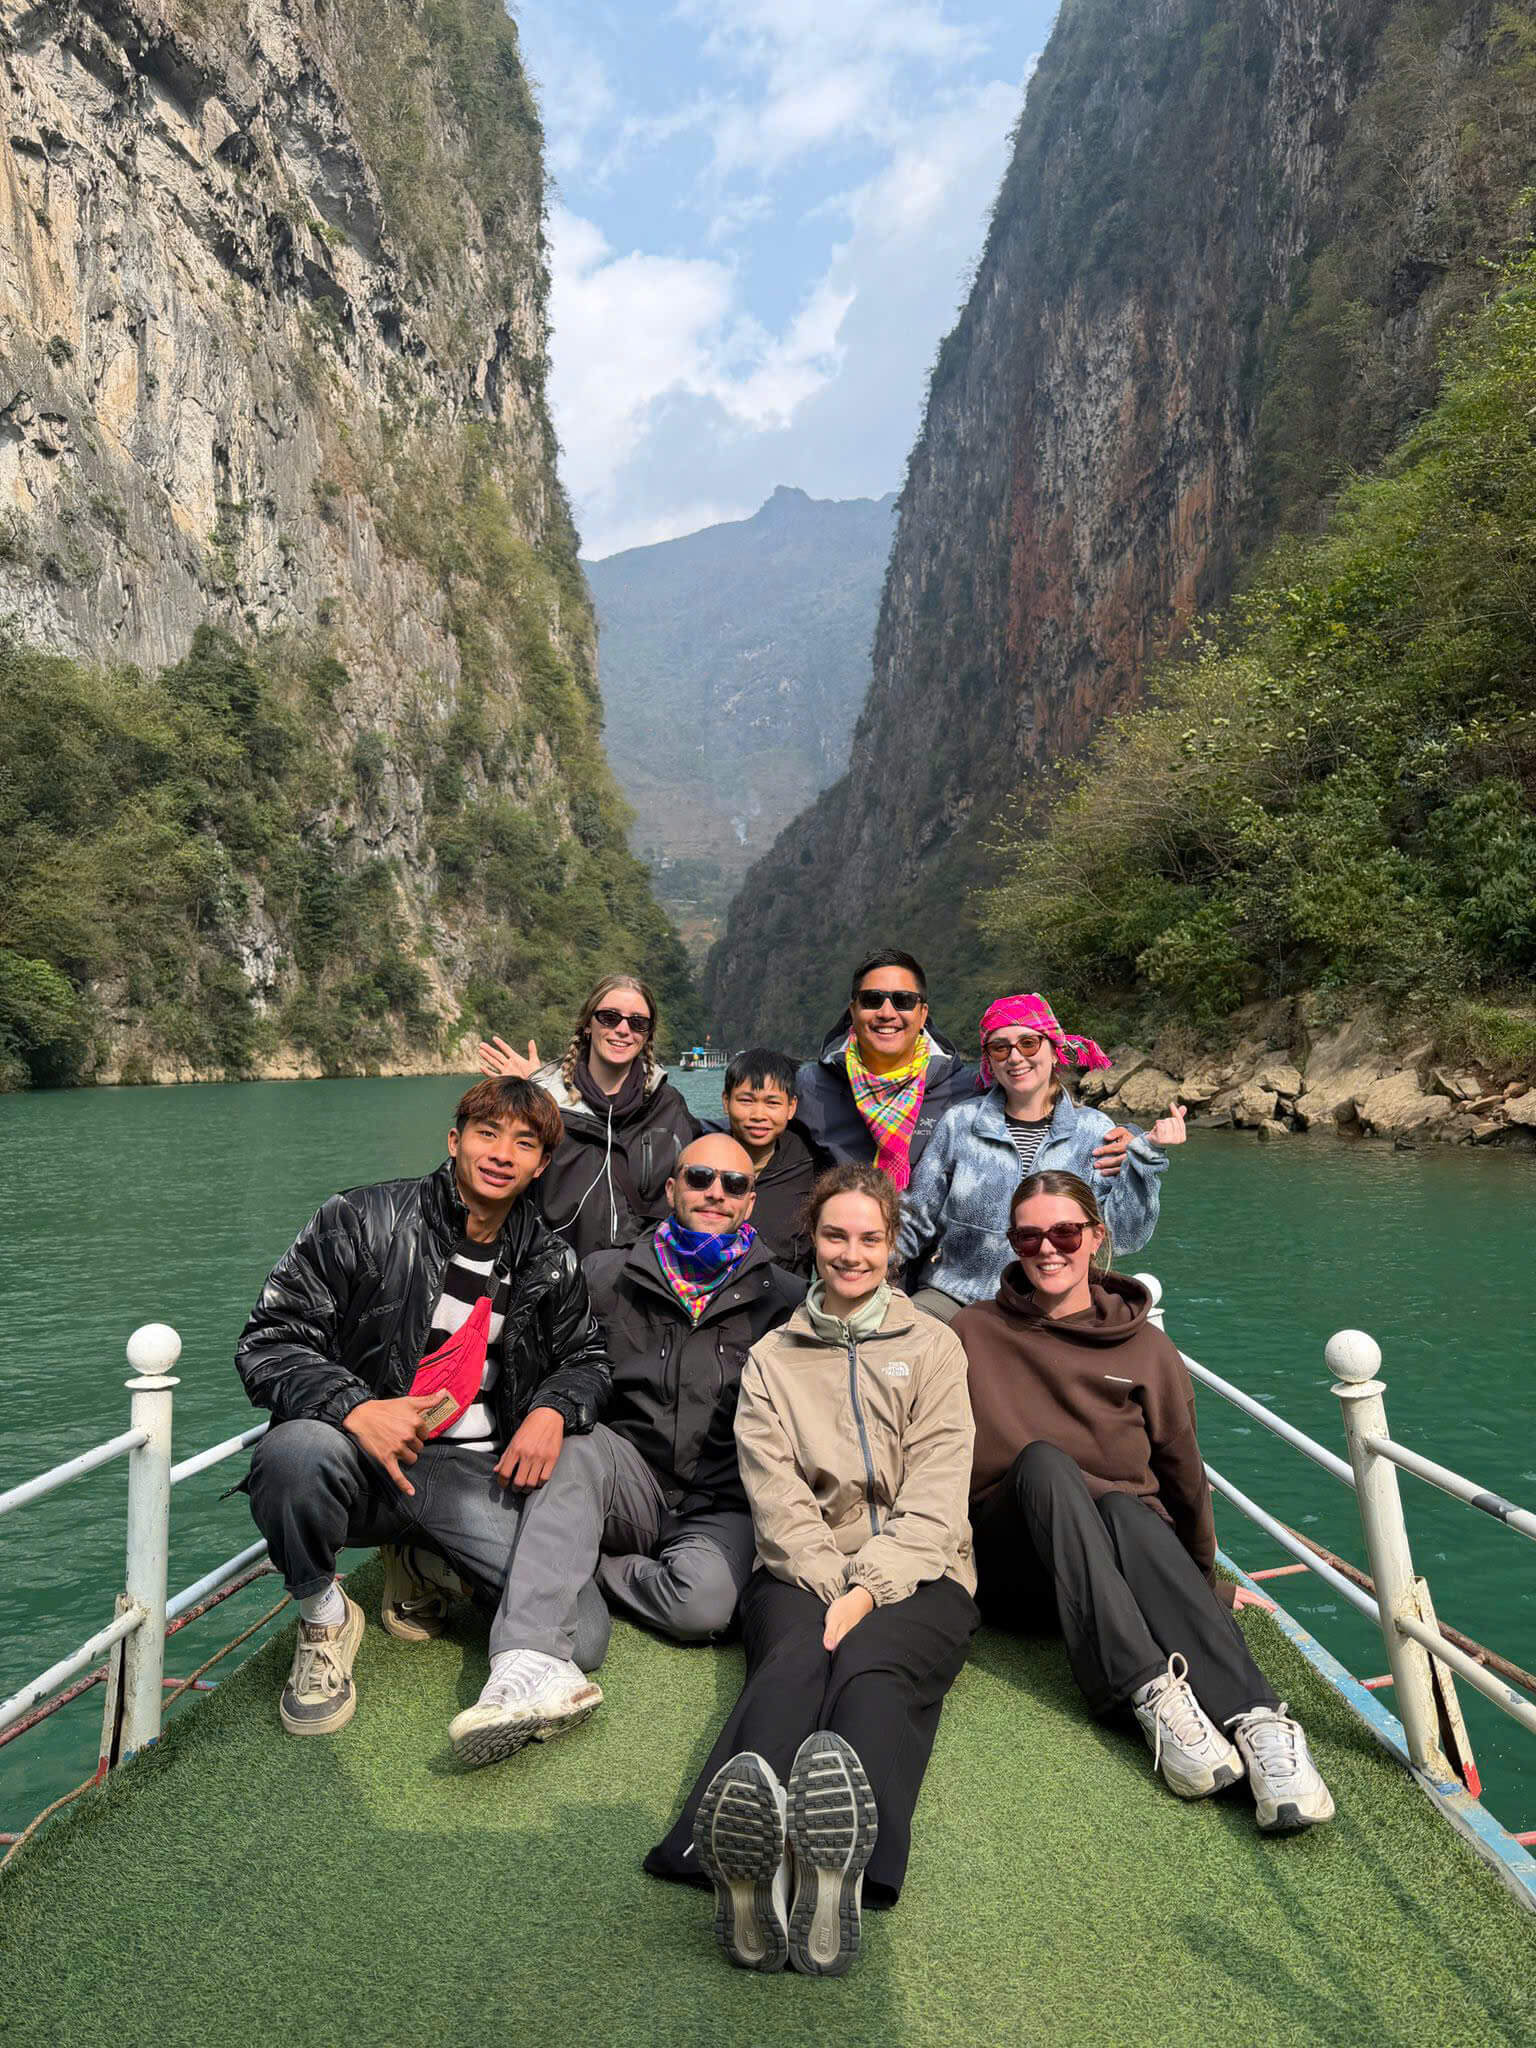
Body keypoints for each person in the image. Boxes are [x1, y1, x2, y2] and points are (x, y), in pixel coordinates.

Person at [645, 1164, 979, 1977]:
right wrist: (830, 1581)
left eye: (870, 1237)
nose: (852, 1253)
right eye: (836, 1235)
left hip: (926, 1572)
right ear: (814, 1239)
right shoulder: (772, 1359)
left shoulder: (935, 1348)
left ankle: (837, 1877)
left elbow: (938, 1495)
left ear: (893, 1247)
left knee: (870, 1671)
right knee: (793, 1662)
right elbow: (776, 1494)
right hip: (800, 1567)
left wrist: (870, 1590)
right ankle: (744, 1867)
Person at [235, 1077, 611, 1743]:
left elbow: (588, 1357)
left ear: (541, 1164)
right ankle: (325, 1613)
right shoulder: (361, 1218)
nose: (502, 1153)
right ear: (454, 1140)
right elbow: (270, 1341)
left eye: (524, 1143)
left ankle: (424, 1558)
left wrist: (554, 1406)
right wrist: (357, 1408)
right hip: (359, 1456)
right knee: (291, 1454)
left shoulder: (550, 1262)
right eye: (486, 1133)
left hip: (470, 1471)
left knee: (580, 1638)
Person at [955, 1170, 1334, 1831]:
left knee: (1127, 1508)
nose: (1048, 1249)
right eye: (1029, 1236)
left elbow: (1183, 1479)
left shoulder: (1148, 1349)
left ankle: (1259, 1724)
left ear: (1097, 1238)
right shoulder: (970, 1332)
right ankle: (1147, 1691)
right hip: (1020, 1560)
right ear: (1012, 1244)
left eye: (1065, 1232)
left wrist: (1202, 1581)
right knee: (1046, 1463)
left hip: (1124, 1561)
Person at [442, 1132, 806, 1766]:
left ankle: (579, 1566)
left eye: (734, 1184)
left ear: (750, 1202)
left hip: (723, 1495)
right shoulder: (608, 1274)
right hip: (626, 1475)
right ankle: (526, 1664)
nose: (715, 1192)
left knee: (705, 1609)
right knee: (579, 1445)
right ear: (671, 1190)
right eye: (699, 1179)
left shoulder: (786, 1299)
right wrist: (550, 1409)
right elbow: (553, 1360)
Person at [898, 993, 1185, 1321]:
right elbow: (915, 1218)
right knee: (900, 1341)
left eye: (1029, 1043)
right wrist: (868, 1269)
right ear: (989, 1060)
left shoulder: (1093, 1132)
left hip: (1054, 1305)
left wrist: (1146, 1158)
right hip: (958, 1296)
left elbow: (1123, 1236)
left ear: (1053, 1049)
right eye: (1000, 1047)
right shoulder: (959, 1124)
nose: (1015, 1057)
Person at [478, 973, 696, 1262]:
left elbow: (700, 1179)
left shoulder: (668, 1106)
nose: (622, 1030)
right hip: (556, 1279)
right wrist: (532, 1088)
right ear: (587, 1025)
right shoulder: (543, 1105)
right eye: (609, 1017)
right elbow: (493, 1179)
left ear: (646, 1035)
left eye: (637, 1023)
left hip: (643, 1284)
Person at [793, 950, 976, 1185]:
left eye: (904, 1001)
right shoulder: (808, 1088)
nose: (887, 1013)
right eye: (872, 1000)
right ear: (853, 1011)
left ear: (923, 1014)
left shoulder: (965, 1091)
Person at [706, 1046, 818, 1270]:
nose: (758, 1115)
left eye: (772, 1103)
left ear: (791, 1107)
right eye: (746, 1101)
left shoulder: (811, 1166)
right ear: (726, 1102)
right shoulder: (702, 1162)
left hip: (787, 1300)